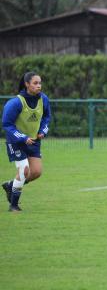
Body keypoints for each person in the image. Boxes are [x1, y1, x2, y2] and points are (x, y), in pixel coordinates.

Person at [2, 72, 51, 212]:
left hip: (34, 141)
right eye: (35, 83)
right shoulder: (16, 102)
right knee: (24, 170)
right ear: (27, 84)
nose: (39, 86)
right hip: (16, 141)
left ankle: (11, 185)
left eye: (40, 83)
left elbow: (47, 117)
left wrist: (43, 130)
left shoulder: (44, 99)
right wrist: (23, 137)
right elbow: (7, 124)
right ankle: (14, 205)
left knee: (36, 172)